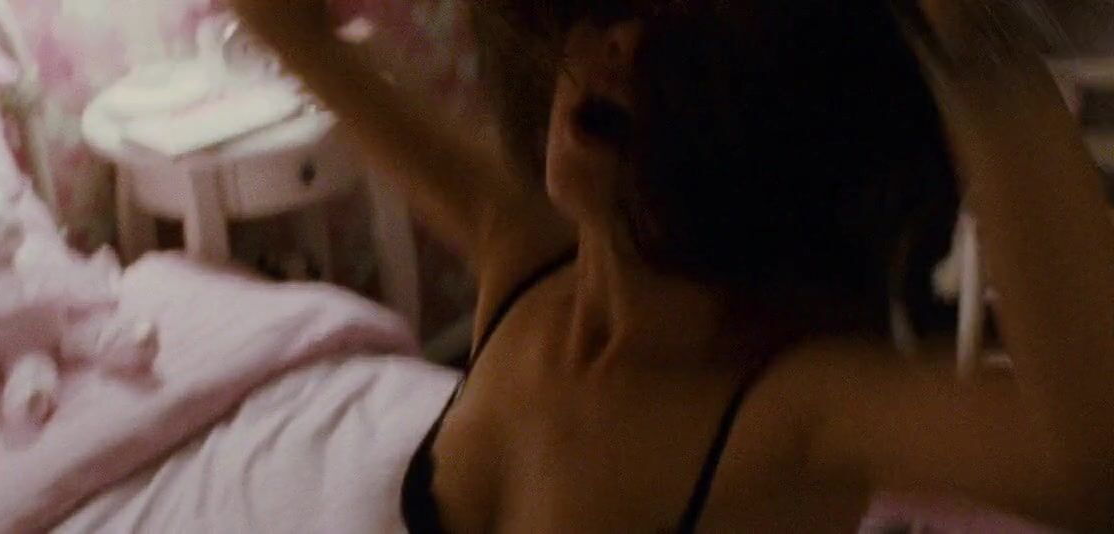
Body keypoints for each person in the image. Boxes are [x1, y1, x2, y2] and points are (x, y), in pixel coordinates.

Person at [232, 0, 1114, 532]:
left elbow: (1091, 468)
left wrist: (969, 33)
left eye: (680, 52)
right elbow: (299, 37)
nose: (618, 46)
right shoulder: (525, 247)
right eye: (611, 7)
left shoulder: (790, 405)